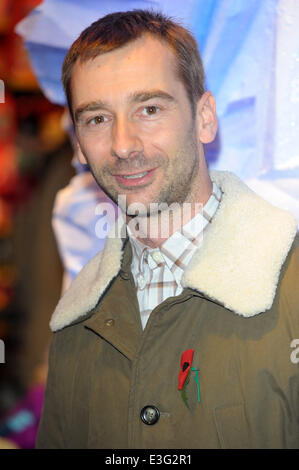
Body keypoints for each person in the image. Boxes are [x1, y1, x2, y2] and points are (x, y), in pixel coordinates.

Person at [36, 10, 299, 449]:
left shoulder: (292, 286)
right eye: (97, 118)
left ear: (204, 118)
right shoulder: (73, 323)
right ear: (79, 144)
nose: (123, 145)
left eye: (150, 108)